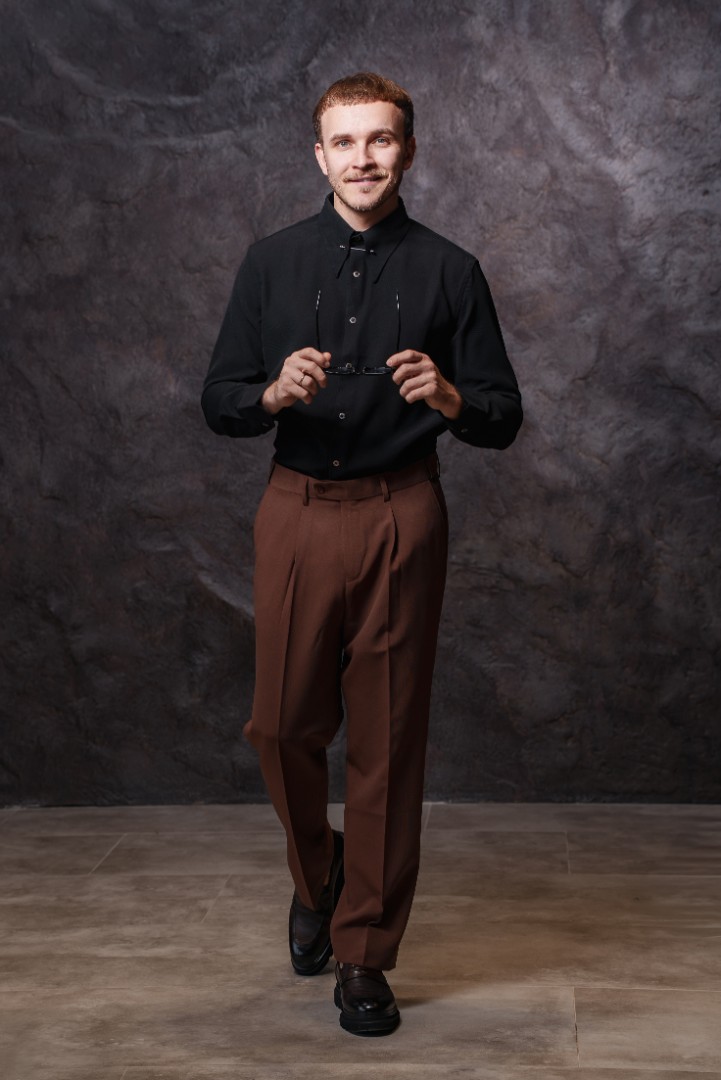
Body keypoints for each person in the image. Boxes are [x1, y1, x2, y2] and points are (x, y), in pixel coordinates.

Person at [202, 72, 522, 1037]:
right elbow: (219, 399)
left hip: (401, 514)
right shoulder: (269, 262)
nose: (363, 158)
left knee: (385, 744)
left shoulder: (451, 270)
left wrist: (449, 397)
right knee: (279, 727)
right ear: (319, 155)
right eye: (344, 142)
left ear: (407, 151)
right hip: (295, 513)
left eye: (380, 140)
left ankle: (365, 954)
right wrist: (270, 395)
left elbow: (501, 416)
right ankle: (320, 875)